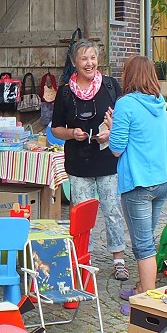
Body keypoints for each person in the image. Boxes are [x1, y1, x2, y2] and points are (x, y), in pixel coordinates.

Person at [51, 39, 129, 280]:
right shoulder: (64, 92)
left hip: (107, 160)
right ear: (75, 63)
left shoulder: (110, 86)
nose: (89, 63)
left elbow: (123, 119)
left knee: (112, 210)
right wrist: (71, 133)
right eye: (84, 58)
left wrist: (111, 131)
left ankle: (118, 259)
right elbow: (55, 129)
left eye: (93, 58)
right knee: (82, 214)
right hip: (78, 161)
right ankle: (84, 259)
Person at [109, 56, 167, 295]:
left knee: (143, 243)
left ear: (129, 76)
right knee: (147, 237)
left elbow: (117, 149)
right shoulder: (159, 101)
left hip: (139, 183)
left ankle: (146, 297)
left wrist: (111, 127)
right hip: (163, 180)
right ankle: (142, 285)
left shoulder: (126, 104)